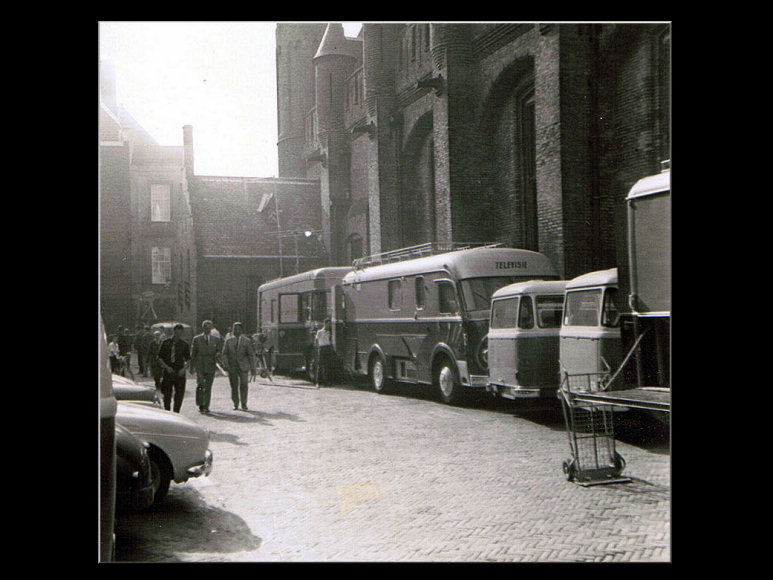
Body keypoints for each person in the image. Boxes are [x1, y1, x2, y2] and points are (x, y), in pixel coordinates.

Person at [221, 322, 257, 411]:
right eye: (234, 329)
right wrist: (226, 364)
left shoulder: (246, 341)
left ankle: (244, 403)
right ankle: (235, 403)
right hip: (232, 367)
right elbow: (224, 354)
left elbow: (250, 355)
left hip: (243, 366)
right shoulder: (228, 341)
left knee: (244, 385)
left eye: (238, 329)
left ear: (241, 330)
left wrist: (252, 367)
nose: (236, 331)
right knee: (234, 385)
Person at [190, 320, 223, 414]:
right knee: (200, 384)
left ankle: (206, 406)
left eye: (209, 327)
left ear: (211, 328)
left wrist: (218, 356)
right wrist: (191, 366)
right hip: (200, 365)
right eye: (205, 327)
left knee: (208, 386)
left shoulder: (215, 339)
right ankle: (200, 404)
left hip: (211, 366)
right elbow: (193, 354)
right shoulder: (197, 339)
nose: (207, 329)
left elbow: (218, 352)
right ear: (202, 328)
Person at [157, 323, 191, 413]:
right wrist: (166, 367)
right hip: (168, 371)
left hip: (179, 372)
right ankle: (167, 411)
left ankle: (176, 412)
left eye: (180, 333)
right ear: (173, 332)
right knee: (167, 394)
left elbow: (188, 360)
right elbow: (159, 358)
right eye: (176, 333)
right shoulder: (166, 343)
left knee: (179, 394)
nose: (178, 335)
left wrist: (184, 369)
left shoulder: (184, 345)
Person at [314, 319, 335, 385]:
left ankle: (326, 381)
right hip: (322, 348)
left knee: (327, 365)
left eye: (330, 324)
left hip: (328, 347)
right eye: (328, 324)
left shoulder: (329, 332)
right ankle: (318, 381)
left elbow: (330, 340)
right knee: (320, 365)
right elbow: (316, 340)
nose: (329, 325)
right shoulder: (320, 332)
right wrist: (318, 348)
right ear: (325, 324)